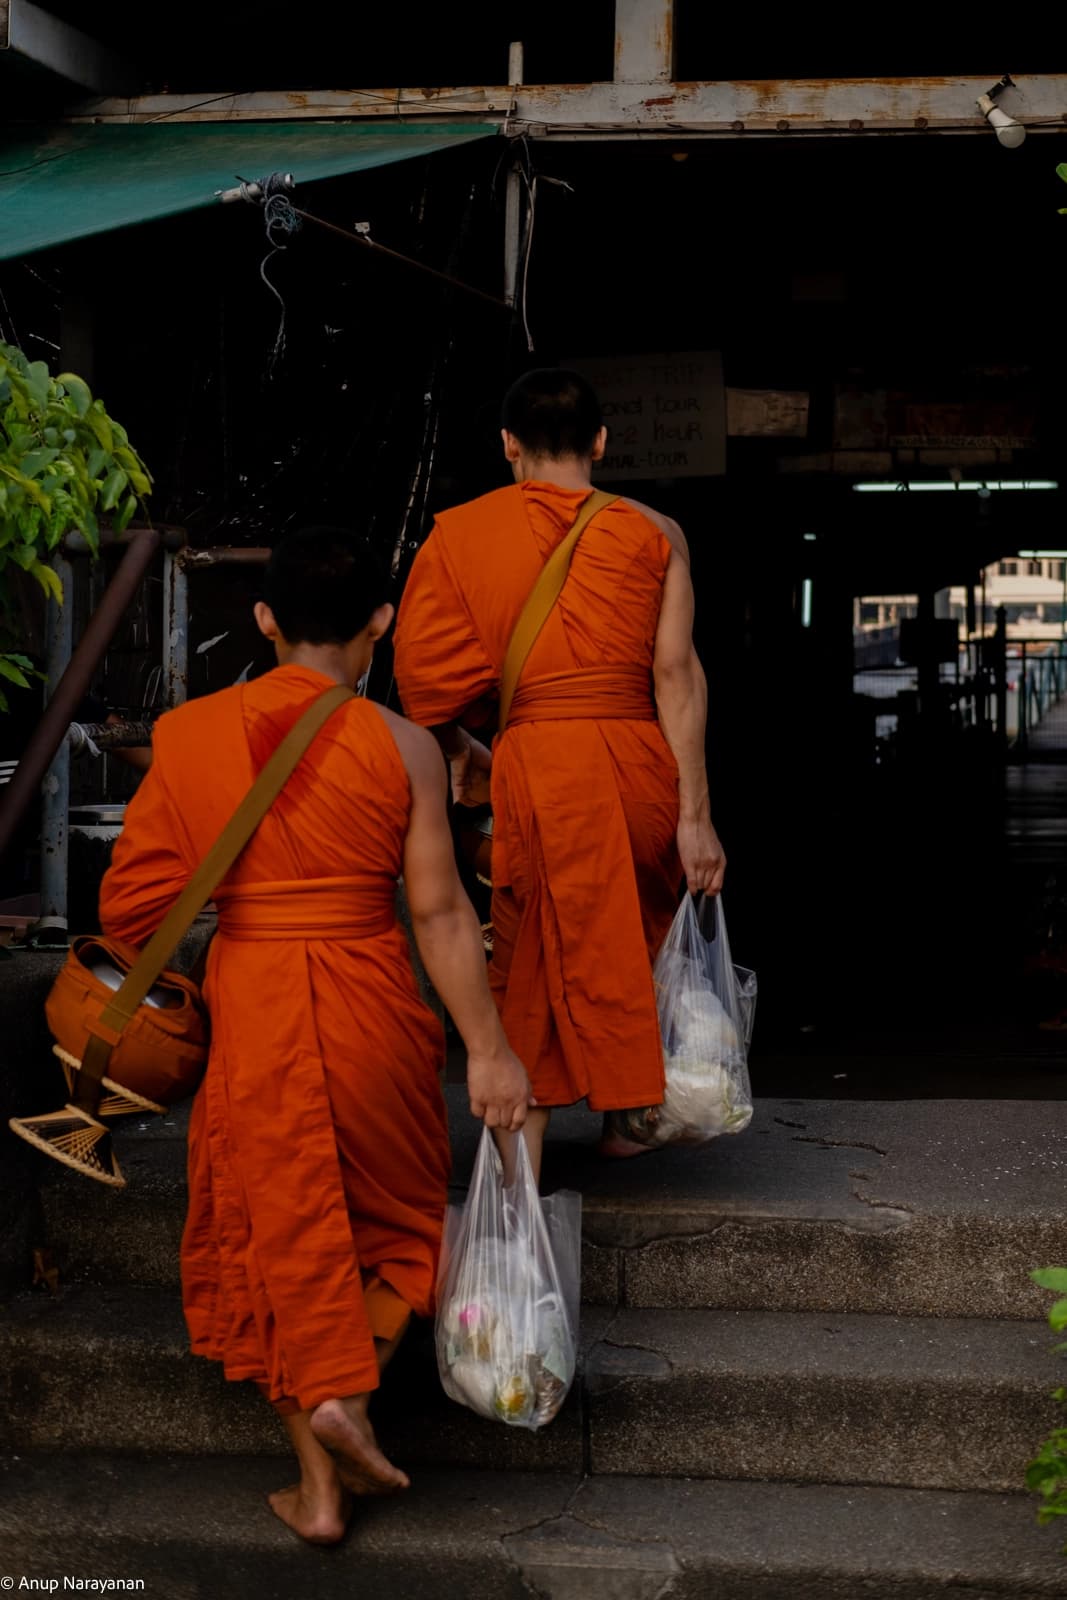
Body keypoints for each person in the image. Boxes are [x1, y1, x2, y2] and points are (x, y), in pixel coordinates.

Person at [98, 527, 532, 1545]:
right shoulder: (407, 744)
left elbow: (131, 909)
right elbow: (436, 913)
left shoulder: (195, 733)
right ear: (381, 624)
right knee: (400, 1216)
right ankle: (339, 1431)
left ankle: (320, 1468)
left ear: (261, 620)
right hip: (372, 996)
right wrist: (488, 1047)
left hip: (253, 999)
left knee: (273, 1229)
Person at [393, 368, 725, 1179]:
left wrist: (466, 753)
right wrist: (695, 816)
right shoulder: (654, 531)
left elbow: (423, 682)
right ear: (602, 443)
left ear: (507, 445)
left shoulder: (461, 534)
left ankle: (519, 1169)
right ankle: (631, 1114)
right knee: (626, 931)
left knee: (532, 948)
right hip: (635, 766)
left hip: (535, 767)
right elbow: (675, 674)